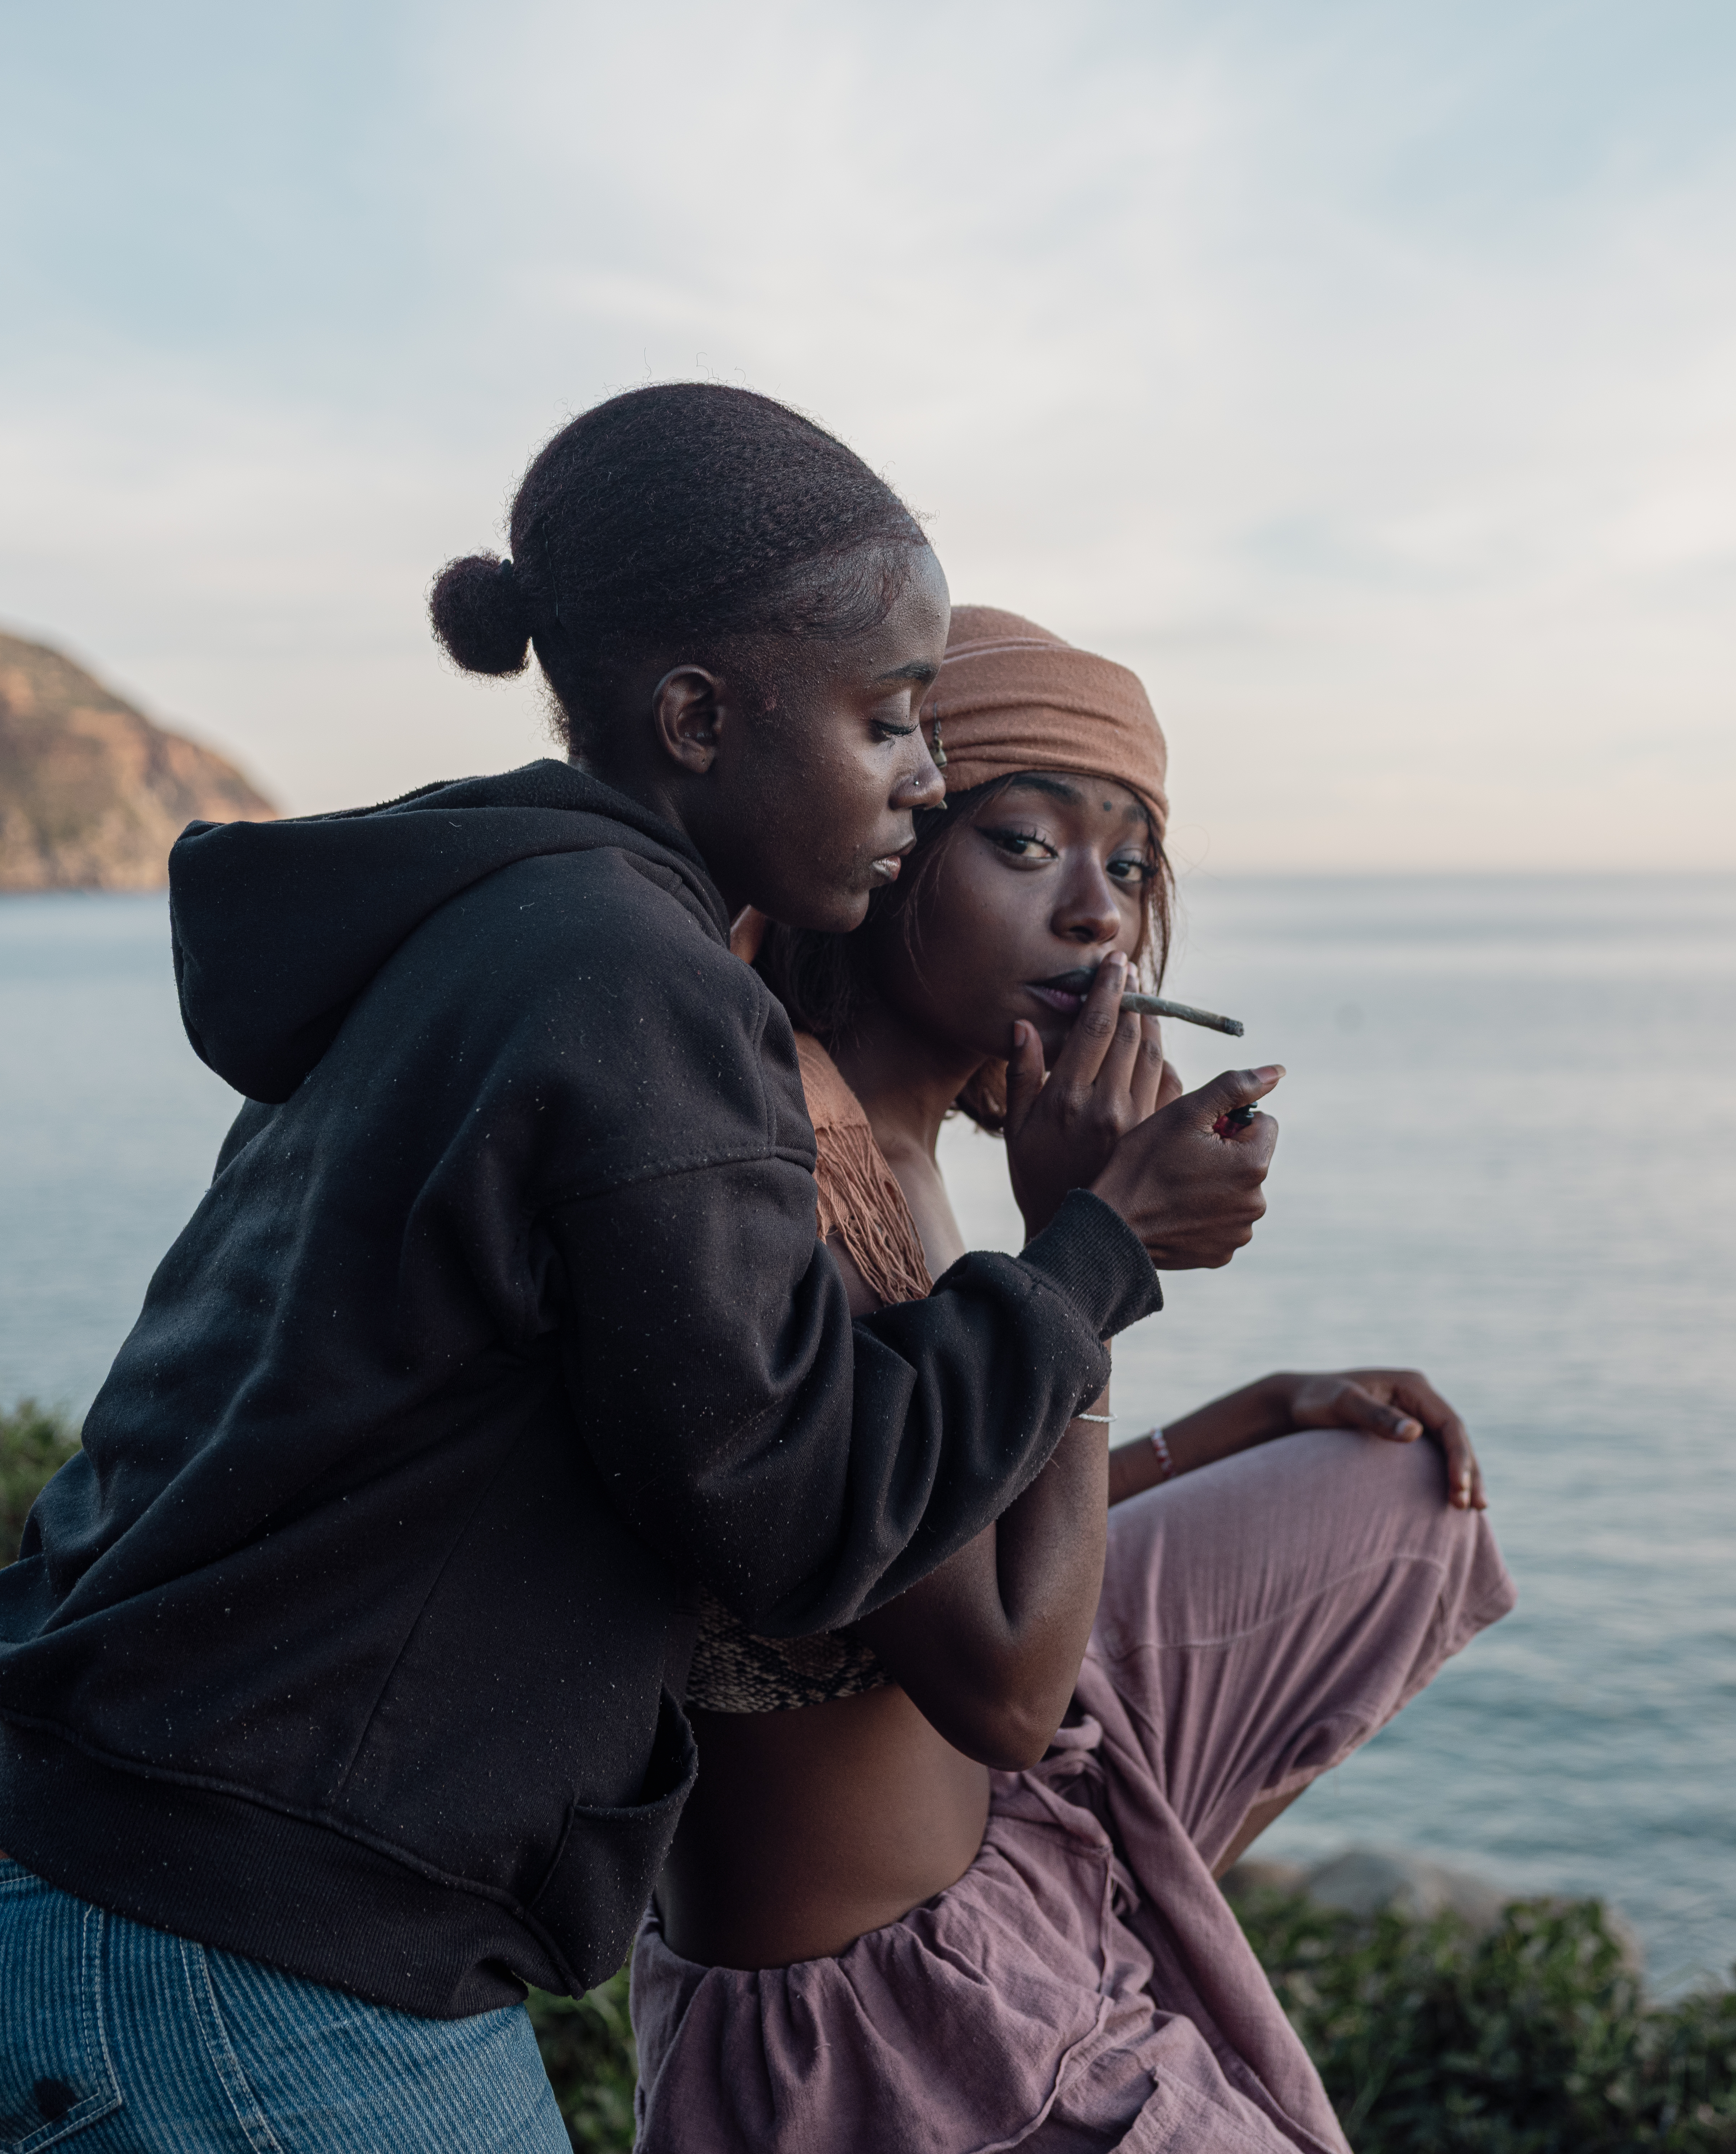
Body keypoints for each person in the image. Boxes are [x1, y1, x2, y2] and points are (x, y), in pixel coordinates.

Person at [0, 395, 1281, 2154]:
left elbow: (746, 1414)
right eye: (885, 724)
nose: (924, 776)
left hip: (116, 1886)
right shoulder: (634, 991)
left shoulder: (507, 921)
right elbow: (803, 1516)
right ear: (700, 719)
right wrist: (1095, 1254)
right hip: (245, 1970)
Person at [628, 607, 1514, 2152]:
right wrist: (1083, 1262)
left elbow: (929, 1492)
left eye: (1131, 865)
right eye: (1027, 845)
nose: (1099, 916)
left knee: (1391, 1493)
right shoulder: (793, 1151)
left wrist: (1237, 1415)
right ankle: (1130, 1924)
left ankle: (1128, 1896)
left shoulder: (896, 1142)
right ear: (886, 839)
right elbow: (1002, 1693)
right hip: (876, 2022)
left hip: (991, 1868)